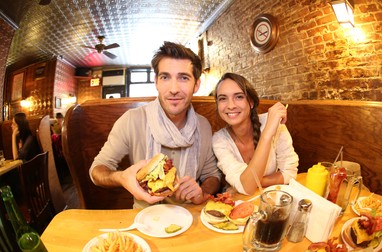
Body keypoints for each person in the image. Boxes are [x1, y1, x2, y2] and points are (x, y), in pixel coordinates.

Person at [90, 41, 221, 209]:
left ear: (196, 85)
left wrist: (202, 191)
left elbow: (212, 175)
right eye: (165, 77)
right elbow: (97, 171)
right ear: (156, 82)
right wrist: (121, 177)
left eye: (183, 78)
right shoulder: (132, 120)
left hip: (191, 216)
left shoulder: (203, 125)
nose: (173, 89)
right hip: (144, 218)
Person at [212, 73, 299, 195]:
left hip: (269, 198)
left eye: (239, 97)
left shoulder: (273, 123)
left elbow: (290, 173)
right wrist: (267, 135)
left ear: (251, 102)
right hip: (240, 202)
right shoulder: (219, 140)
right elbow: (247, 188)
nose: (230, 105)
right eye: (223, 98)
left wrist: (248, 182)